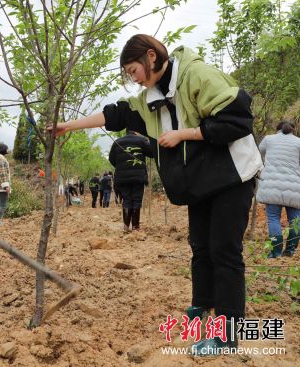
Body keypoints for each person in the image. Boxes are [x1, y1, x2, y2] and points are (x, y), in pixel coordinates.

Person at [52, 34, 262, 355]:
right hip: (202, 181)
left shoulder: (197, 74)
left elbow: (238, 118)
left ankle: (227, 332)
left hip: (232, 174)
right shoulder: (152, 96)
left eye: (133, 70)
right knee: (201, 248)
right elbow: (115, 114)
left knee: (224, 251)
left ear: (151, 56)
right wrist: (69, 125)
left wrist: (184, 134)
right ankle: (201, 308)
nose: (132, 78)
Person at [256, 121, 300, 257]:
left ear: (278, 129)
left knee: (273, 219)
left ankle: (275, 252)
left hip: (271, 186)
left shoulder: (269, 139)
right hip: (294, 187)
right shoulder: (298, 142)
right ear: (293, 130)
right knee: (296, 220)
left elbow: (258, 152)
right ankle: (290, 250)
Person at [109, 131, 152, 231]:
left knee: (127, 199)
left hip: (122, 177)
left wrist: (121, 166)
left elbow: (111, 159)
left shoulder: (117, 142)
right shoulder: (141, 140)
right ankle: (135, 227)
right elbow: (152, 153)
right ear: (136, 132)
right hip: (138, 177)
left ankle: (126, 226)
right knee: (137, 199)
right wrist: (148, 140)